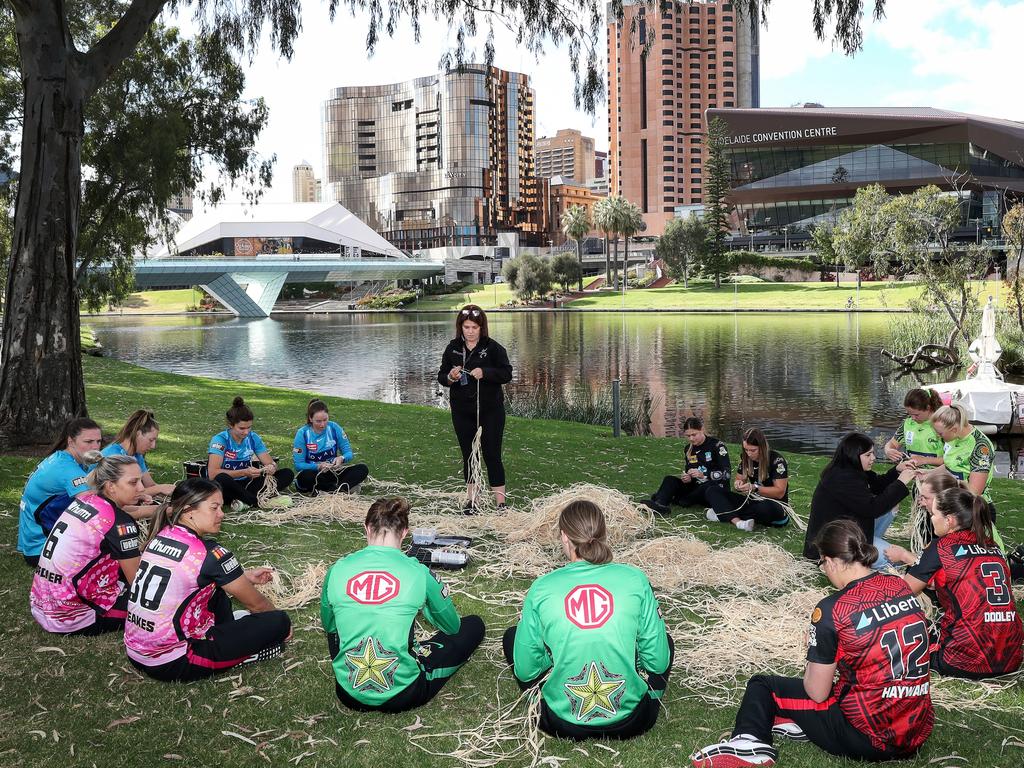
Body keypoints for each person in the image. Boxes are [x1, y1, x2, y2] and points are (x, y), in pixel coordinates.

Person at [691, 520, 933, 767]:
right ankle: (800, 723)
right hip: (914, 732)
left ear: (830, 561)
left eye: (821, 564)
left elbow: (817, 692)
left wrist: (815, 651)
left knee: (762, 686)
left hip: (867, 737)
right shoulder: (899, 585)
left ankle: (749, 744)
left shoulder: (833, 609)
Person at [503, 500, 672, 740]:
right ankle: (648, 698)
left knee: (513, 637)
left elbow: (526, 670)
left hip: (560, 722)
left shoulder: (542, 588)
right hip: (632, 721)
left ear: (564, 536)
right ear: (604, 534)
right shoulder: (635, 579)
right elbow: (657, 663)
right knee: (665, 642)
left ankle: (544, 697)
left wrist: (552, 657)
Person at [321, 497, 485, 712]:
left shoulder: (337, 569)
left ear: (367, 528)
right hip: (403, 693)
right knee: (473, 625)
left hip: (347, 692)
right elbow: (452, 627)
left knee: (339, 628)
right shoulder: (419, 572)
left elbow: (330, 626)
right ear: (405, 532)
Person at [124, 478, 292, 681]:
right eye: (215, 508)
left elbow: (191, 575)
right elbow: (257, 605)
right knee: (278, 620)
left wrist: (244, 576)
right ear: (189, 510)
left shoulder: (163, 534)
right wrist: (279, 627)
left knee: (217, 592)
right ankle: (246, 654)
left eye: (221, 507)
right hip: (174, 661)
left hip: (136, 651)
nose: (222, 514)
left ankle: (225, 632)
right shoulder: (210, 553)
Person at [886, 486, 1024, 679]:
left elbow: (902, 593)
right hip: (1011, 657)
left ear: (949, 520)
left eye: (934, 514)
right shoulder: (992, 546)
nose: (931, 518)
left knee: (900, 626)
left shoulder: (941, 547)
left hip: (963, 660)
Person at [30, 455, 144, 636]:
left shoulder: (87, 500)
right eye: (133, 482)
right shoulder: (121, 524)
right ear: (110, 486)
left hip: (43, 603)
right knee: (157, 603)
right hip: (72, 616)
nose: (141, 488)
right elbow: (139, 585)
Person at [437, 305, 513, 512]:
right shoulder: (452, 348)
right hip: (462, 411)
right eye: (466, 327)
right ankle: (472, 501)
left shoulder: (493, 348)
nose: (470, 331)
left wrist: (485, 372)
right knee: (470, 455)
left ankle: (501, 503)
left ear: (482, 328)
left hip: (490, 411)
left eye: (474, 327)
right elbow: (441, 376)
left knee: (492, 455)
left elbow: (507, 373)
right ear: (460, 327)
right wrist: (451, 377)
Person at [804, 432, 918, 567]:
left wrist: (897, 470)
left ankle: (871, 542)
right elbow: (872, 509)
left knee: (892, 505)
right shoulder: (842, 478)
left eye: (873, 453)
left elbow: (877, 485)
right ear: (853, 455)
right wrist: (901, 482)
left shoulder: (851, 468)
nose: (874, 458)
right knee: (896, 560)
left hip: (849, 530)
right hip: (833, 544)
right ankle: (868, 549)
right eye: (868, 455)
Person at [17, 418, 103, 567]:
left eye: (98, 441)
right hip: (42, 550)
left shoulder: (64, 458)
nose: (95, 447)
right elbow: (96, 511)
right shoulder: (67, 469)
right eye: (88, 442)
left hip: (36, 543)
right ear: (71, 441)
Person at [879, 389, 945, 542]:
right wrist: (889, 450)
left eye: (916, 414)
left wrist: (924, 460)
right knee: (922, 518)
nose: (913, 418)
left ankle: (940, 547)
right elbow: (892, 443)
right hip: (917, 479)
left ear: (928, 408)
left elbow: (950, 460)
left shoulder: (941, 425)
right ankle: (923, 547)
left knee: (938, 515)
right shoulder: (907, 424)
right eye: (910, 414)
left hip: (939, 479)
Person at [207, 396, 294, 510]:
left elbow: (270, 462)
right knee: (221, 478)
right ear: (230, 425)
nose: (246, 432)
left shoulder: (253, 438)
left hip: (248, 484)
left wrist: (271, 467)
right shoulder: (220, 440)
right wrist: (243, 472)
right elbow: (213, 474)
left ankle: (244, 500)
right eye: (242, 428)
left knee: (287, 473)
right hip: (227, 487)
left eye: (249, 427)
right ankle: (256, 501)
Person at [703, 428, 790, 532]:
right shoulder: (746, 458)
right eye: (746, 449)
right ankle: (739, 522)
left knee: (765, 508)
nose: (749, 454)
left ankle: (724, 513)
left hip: (775, 506)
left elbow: (780, 493)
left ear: (762, 447)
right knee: (712, 490)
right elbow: (739, 480)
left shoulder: (777, 461)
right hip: (753, 502)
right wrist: (738, 485)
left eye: (753, 450)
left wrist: (755, 488)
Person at [642, 416, 731, 515]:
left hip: (712, 488)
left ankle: (679, 500)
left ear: (702, 430)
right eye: (688, 436)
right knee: (669, 480)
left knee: (706, 487)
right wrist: (687, 477)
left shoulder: (717, 446)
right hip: (695, 487)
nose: (691, 439)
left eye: (694, 434)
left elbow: (726, 474)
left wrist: (704, 474)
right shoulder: (688, 449)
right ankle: (660, 505)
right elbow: (689, 470)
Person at [102, 408, 176, 519]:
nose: (153, 446)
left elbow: (150, 485)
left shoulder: (137, 455)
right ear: (137, 434)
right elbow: (121, 504)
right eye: (151, 440)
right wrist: (159, 489)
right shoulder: (113, 457)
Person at [292, 398, 369, 495]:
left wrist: (342, 458)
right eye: (318, 421)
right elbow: (299, 465)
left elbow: (348, 452)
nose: (322, 424)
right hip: (314, 474)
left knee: (362, 469)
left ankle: (332, 490)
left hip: (333, 472)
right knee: (305, 477)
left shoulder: (334, 427)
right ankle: (342, 489)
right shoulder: (302, 433)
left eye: (325, 420)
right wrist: (318, 466)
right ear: (310, 419)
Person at [930, 404, 996, 511]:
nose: (938, 437)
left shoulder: (980, 447)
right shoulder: (955, 437)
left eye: (940, 433)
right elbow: (951, 466)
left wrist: (943, 488)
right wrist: (927, 474)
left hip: (974, 509)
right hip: (956, 503)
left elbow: (974, 492)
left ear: (954, 429)